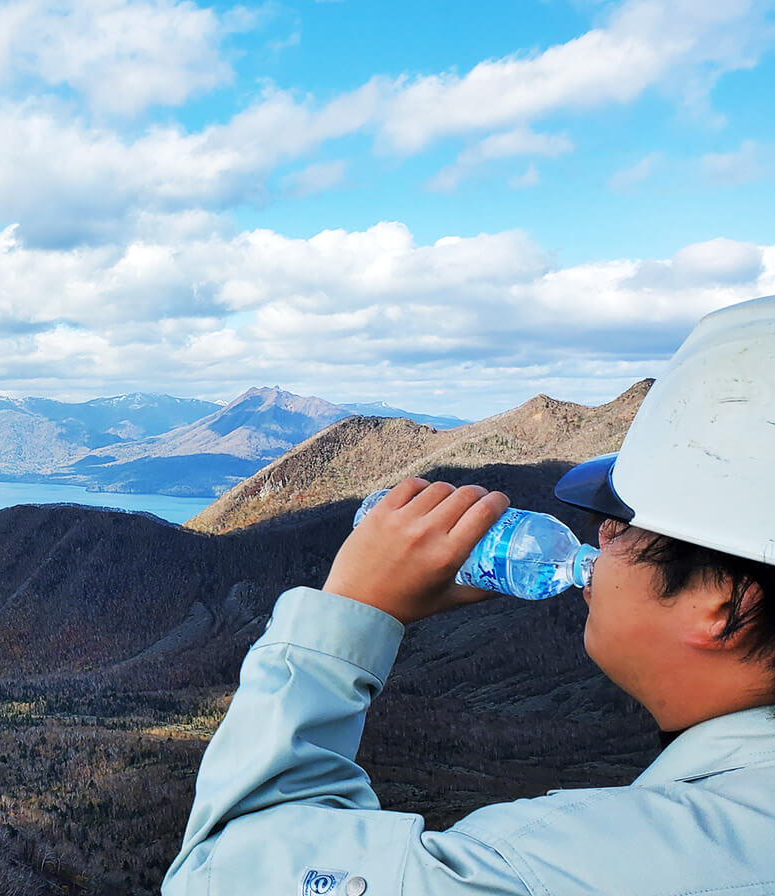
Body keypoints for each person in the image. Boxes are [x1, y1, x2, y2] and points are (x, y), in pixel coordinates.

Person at [164, 294, 775, 896]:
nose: (602, 532)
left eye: (625, 522)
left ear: (725, 606)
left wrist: (352, 610)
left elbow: (219, 872)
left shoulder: (558, 869)